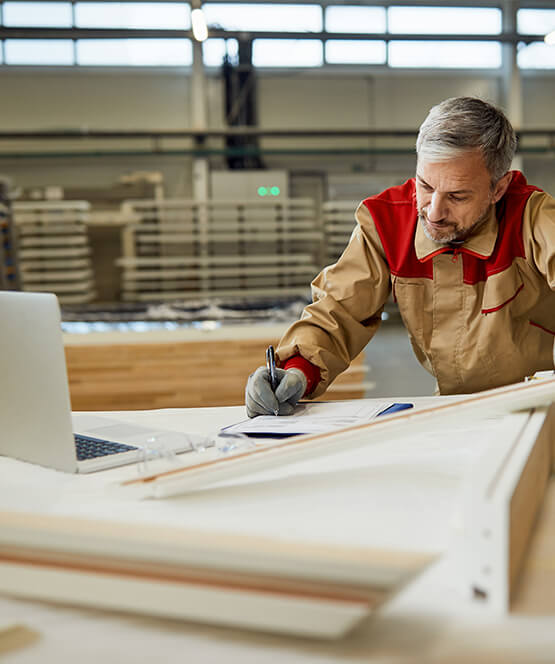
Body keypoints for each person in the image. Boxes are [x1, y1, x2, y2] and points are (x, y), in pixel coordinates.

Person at [245, 96, 555, 418]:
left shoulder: (531, 217)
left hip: (539, 409)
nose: (434, 212)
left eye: (457, 196)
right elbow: (339, 310)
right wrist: (296, 371)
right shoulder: (386, 226)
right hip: (454, 408)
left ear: (498, 189)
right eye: (425, 185)